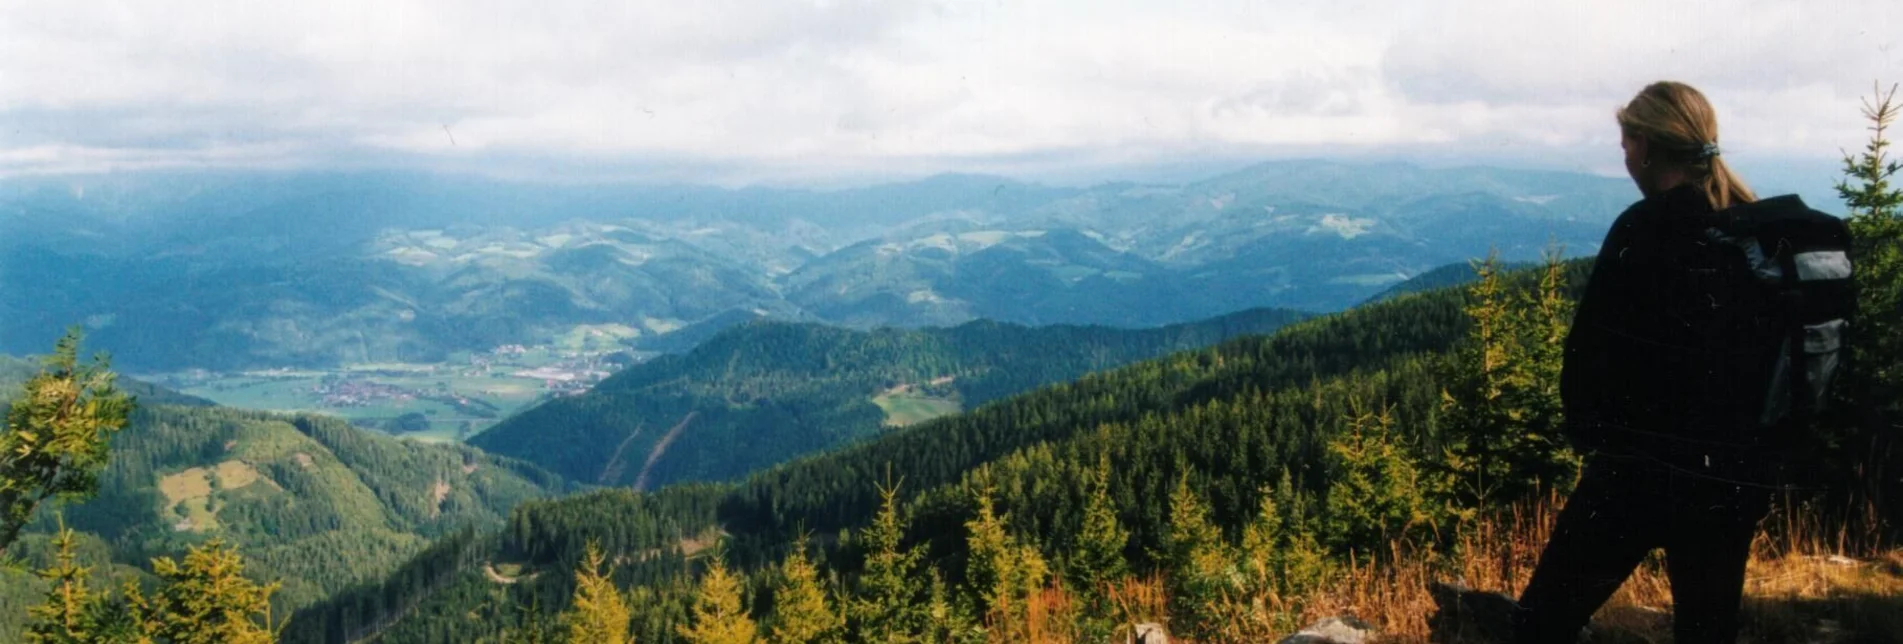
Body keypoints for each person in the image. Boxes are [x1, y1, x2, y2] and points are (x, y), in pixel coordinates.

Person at [1513, 81, 1808, 644]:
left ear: (1646, 146)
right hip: (1734, 477)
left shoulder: (1646, 226)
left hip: (1639, 472)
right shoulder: (1756, 227)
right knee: (1706, 628)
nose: (1624, 157)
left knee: (1542, 623)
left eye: (1626, 144)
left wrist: (1594, 441)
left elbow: (1588, 356)